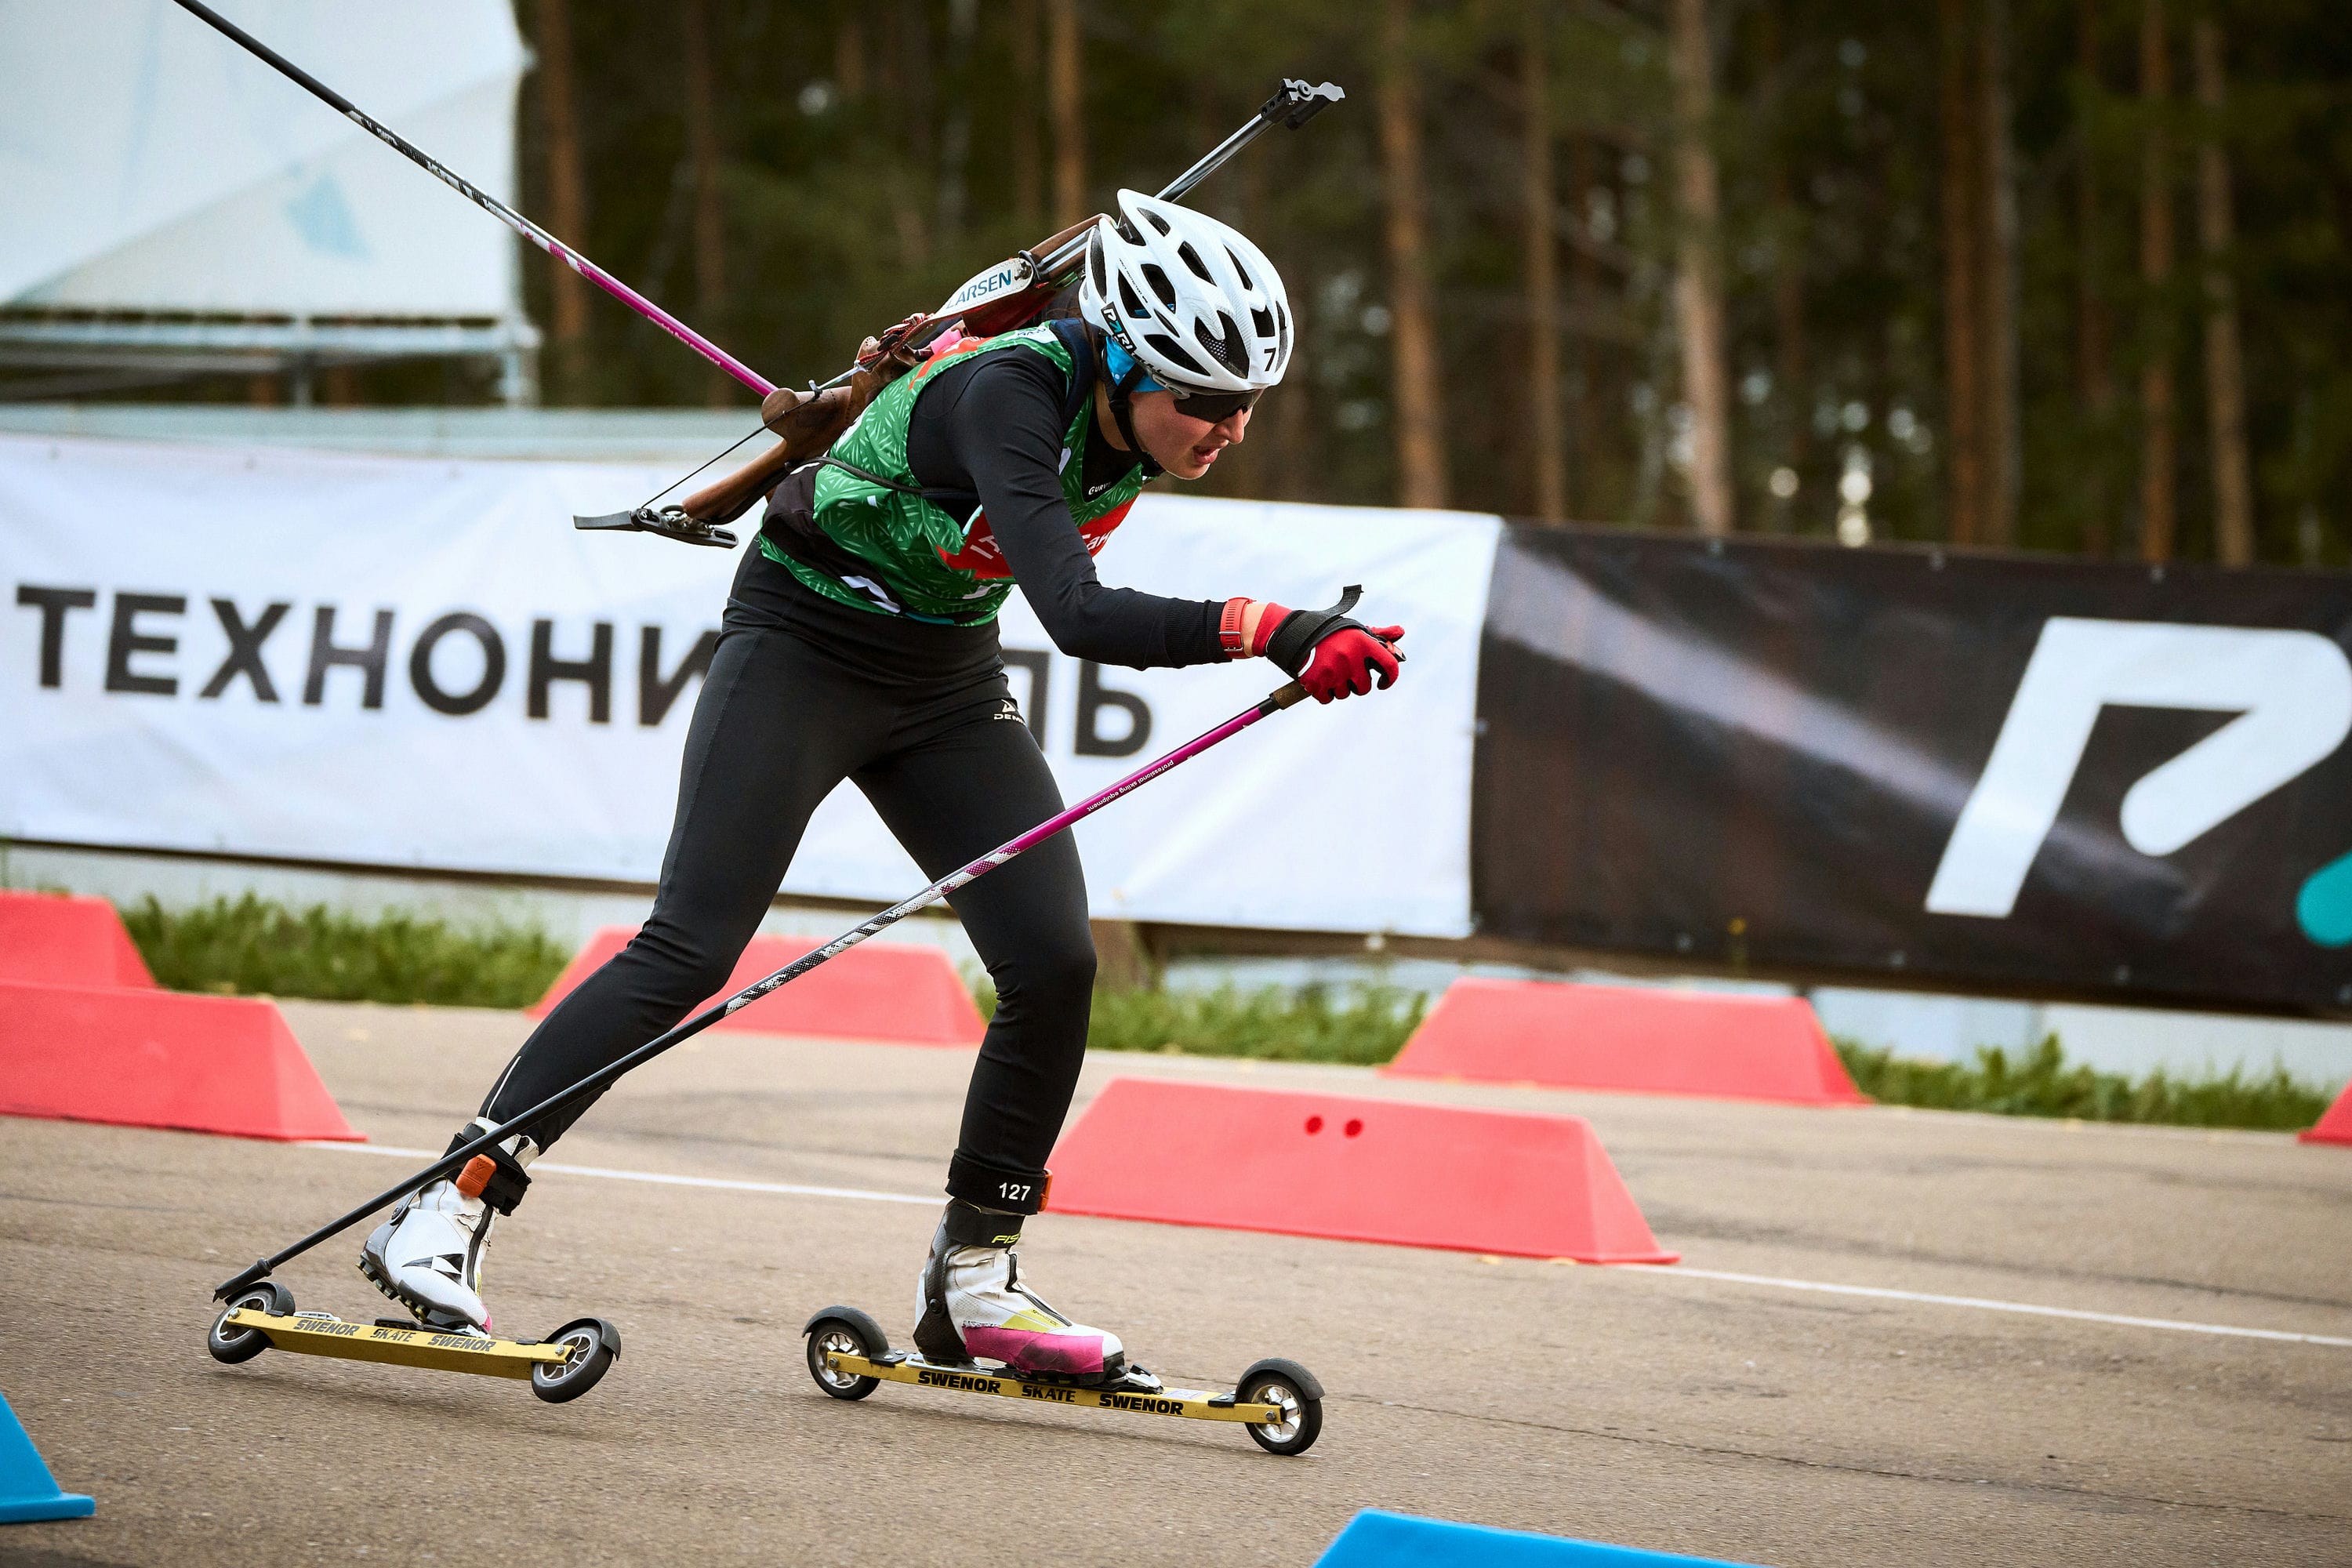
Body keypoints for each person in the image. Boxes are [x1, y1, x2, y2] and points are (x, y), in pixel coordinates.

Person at [360, 191, 1405, 1388]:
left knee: (1054, 961)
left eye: (1248, 403)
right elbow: (1078, 614)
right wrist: (1274, 626)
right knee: (690, 948)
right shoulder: (1012, 394)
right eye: (1205, 400)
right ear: (1121, 360)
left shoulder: (1130, 414)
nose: (1229, 427)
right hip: (803, 646)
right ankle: (445, 1206)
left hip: (944, 677)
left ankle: (974, 1281)